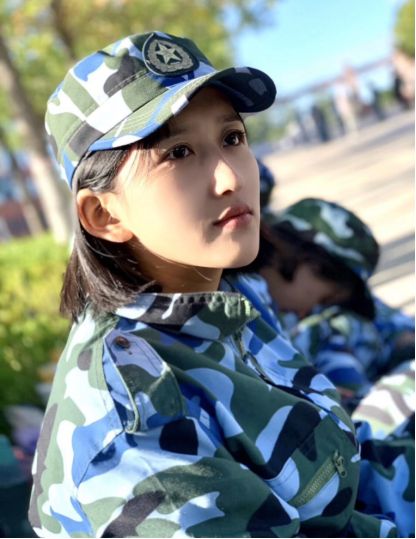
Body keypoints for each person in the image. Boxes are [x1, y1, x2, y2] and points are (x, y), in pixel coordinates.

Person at [29, 31, 403, 538]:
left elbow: (338, 482)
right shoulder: (133, 415)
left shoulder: (226, 298)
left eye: (232, 138)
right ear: (104, 214)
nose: (231, 178)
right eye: (179, 152)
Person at [244, 197, 414, 408]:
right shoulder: (241, 297)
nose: (309, 311)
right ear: (313, 265)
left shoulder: (267, 298)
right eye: (324, 299)